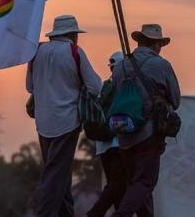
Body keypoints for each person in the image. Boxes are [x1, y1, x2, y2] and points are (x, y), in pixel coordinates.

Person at [26, 15, 102, 217]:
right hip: (67, 122)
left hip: (43, 122)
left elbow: (30, 87)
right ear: (72, 35)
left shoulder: (37, 52)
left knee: (60, 174)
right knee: (55, 176)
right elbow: (95, 87)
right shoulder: (74, 52)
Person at [110, 24, 180, 217]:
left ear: (139, 42)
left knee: (136, 185)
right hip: (148, 134)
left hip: (123, 133)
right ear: (156, 44)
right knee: (145, 183)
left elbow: (116, 93)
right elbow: (175, 100)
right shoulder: (161, 64)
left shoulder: (121, 65)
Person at [87, 52, 125, 217]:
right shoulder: (124, 87)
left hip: (102, 145)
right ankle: (95, 213)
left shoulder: (103, 87)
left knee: (116, 186)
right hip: (118, 142)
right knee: (118, 184)